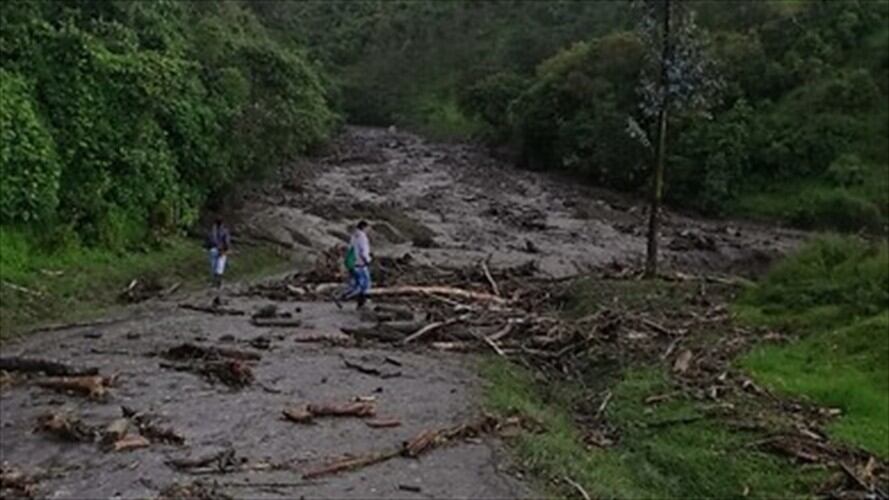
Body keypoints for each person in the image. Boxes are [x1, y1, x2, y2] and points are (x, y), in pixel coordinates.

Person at [335, 220, 372, 309]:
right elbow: (363, 251)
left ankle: (343, 296)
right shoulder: (362, 237)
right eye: (368, 228)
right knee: (365, 284)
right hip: (360, 264)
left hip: (352, 263)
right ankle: (360, 302)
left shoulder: (354, 236)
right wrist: (368, 260)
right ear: (364, 227)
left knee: (355, 284)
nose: (369, 230)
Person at [206, 217, 231, 288]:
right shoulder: (225, 230)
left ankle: (214, 282)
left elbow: (209, 240)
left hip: (213, 249)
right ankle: (218, 282)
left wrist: (207, 247)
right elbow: (227, 241)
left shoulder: (212, 231)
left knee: (213, 266)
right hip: (222, 250)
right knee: (220, 266)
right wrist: (226, 249)